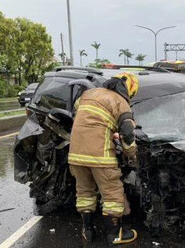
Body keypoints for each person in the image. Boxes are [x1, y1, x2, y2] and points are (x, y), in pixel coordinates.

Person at [68, 72, 139, 244]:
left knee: (84, 192)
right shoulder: (120, 102)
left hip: (75, 154)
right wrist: (132, 154)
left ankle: (88, 231)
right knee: (112, 194)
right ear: (129, 90)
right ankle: (115, 234)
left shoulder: (89, 94)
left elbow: (79, 114)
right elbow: (128, 134)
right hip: (101, 157)